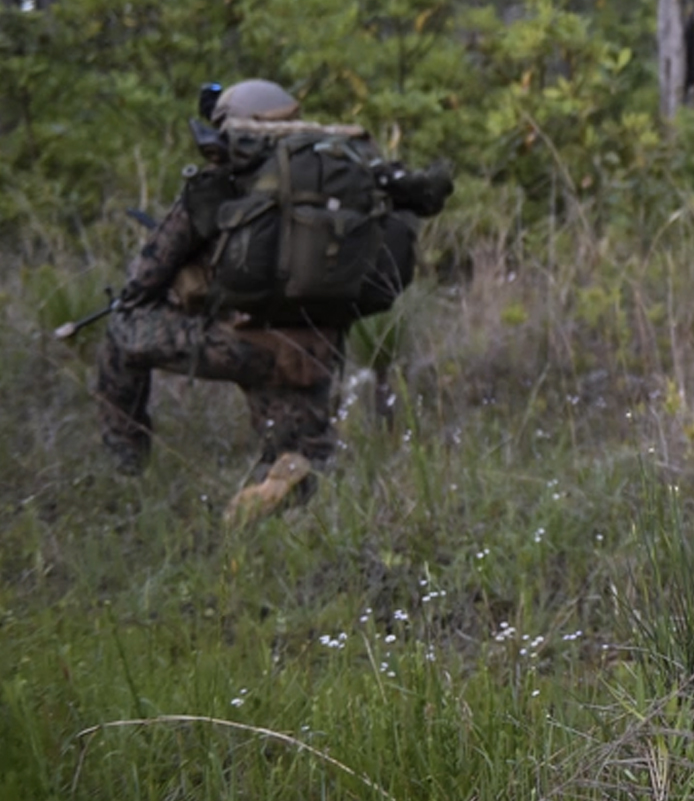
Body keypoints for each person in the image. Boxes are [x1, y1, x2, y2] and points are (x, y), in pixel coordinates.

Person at [92, 79, 450, 526]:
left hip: (240, 342)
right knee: (303, 459)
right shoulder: (354, 169)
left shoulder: (226, 178)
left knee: (123, 329)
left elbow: (142, 281)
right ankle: (280, 502)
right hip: (314, 351)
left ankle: (126, 467)